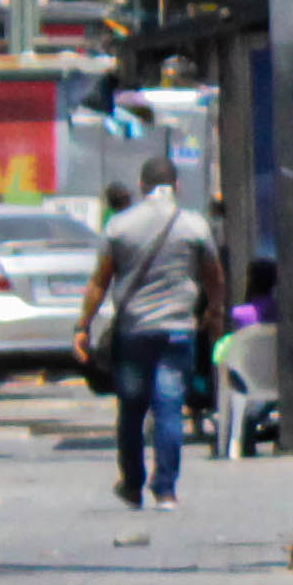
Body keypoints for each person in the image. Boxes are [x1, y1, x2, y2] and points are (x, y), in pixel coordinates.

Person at [71, 160, 214, 509]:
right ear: (176, 185)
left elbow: (99, 281)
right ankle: (165, 490)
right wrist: (216, 311)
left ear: (141, 184)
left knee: (131, 410)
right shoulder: (193, 225)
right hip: (178, 330)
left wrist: (83, 326)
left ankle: (132, 484)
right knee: (169, 409)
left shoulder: (120, 226)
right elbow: (215, 275)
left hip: (134, 332)